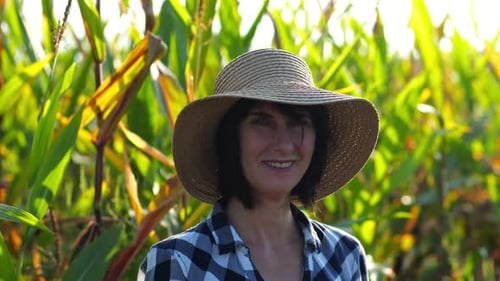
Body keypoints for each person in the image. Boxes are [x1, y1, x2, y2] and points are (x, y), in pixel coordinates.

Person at [139, 48, 379, 281]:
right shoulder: (179, 262)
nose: (284, 144)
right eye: (263, 122)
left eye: (298, 122)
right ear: (231, 138)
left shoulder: (344, 255)